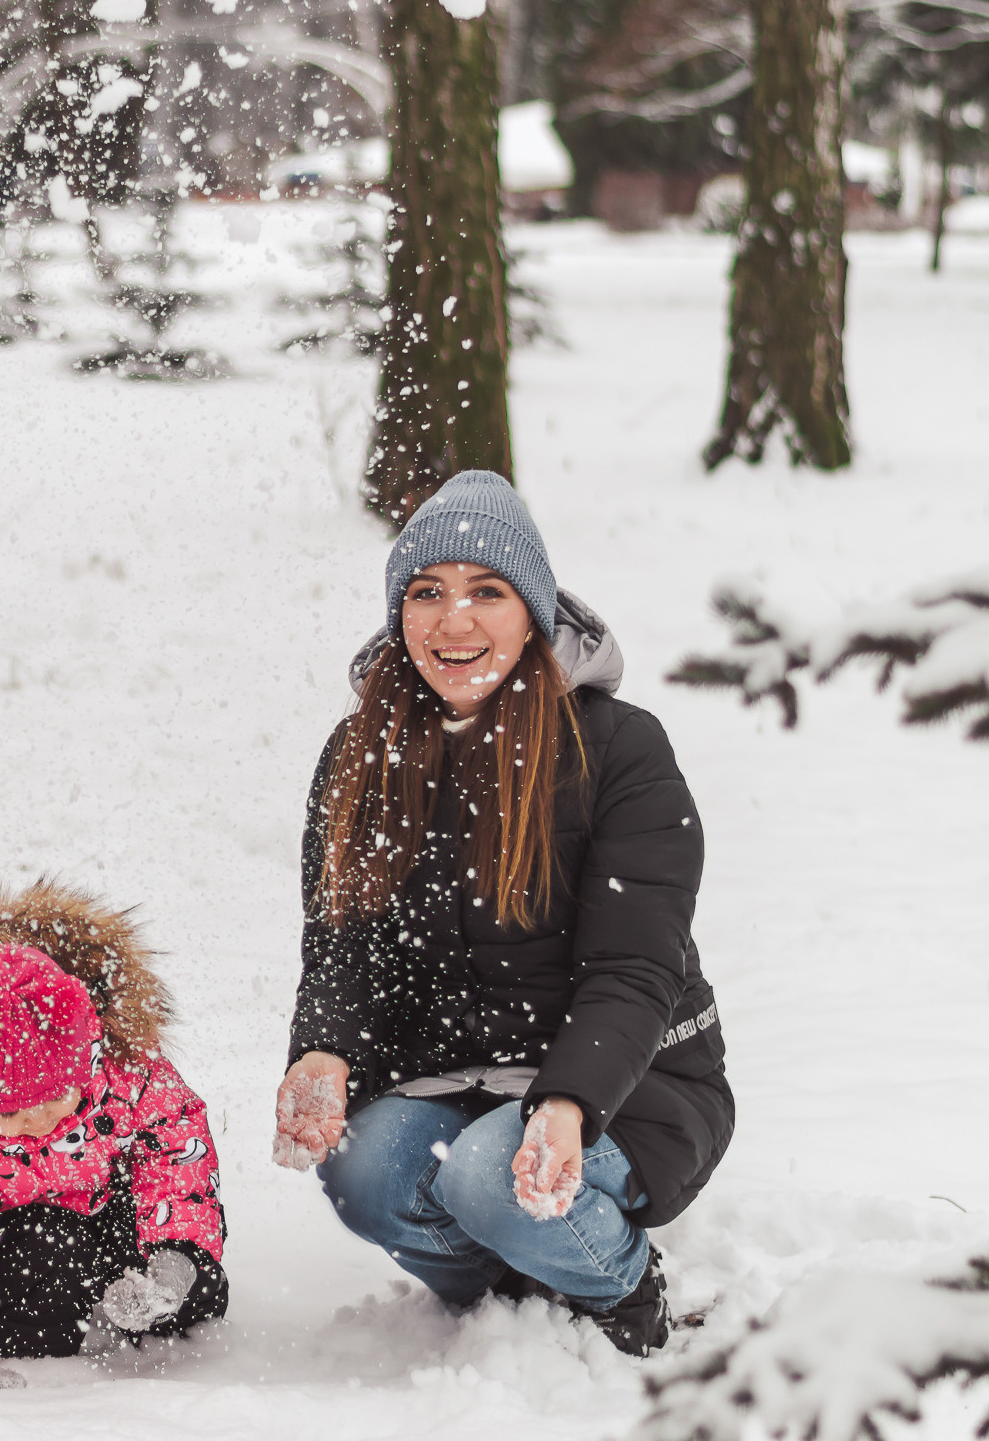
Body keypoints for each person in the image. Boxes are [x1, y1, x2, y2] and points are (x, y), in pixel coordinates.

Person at [272, 471, 732, 1355]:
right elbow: (342, 945)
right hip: (452, 1078)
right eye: (426, 592)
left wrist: (567, 1104)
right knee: (366, 1172)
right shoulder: (361, 753)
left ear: (535, 610)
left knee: (492, 1176)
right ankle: (512, 1293)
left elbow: (635, 970)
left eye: (488, 591)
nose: (454, 622)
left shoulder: (620, 748)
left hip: (630, 1085)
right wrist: (323, 1052)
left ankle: (619, 1284)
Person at [0, 882, 228, 1388]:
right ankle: (74, 1321)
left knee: (198, 1291)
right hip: (25, 1237)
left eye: (55, 1100)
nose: (37, 1123)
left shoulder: (127, 1071)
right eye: (12, 1115)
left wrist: (175, 1256)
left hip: (121, 1214)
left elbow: (175, 1151)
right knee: (34, 1305)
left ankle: (149, 1297)